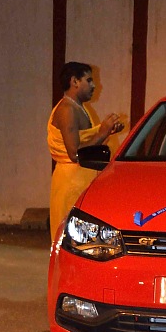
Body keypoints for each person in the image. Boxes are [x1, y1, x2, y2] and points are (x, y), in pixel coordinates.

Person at [47, 62, 124, 239]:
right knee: (72, 240)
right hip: (71, 183)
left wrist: (107, 133)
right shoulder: (67, 109)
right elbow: (74, 153)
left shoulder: (80, 107)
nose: (94, 85)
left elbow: (88, 143)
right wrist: (103, 131)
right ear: (74, 81)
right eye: (88, 80)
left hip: (81, 181)